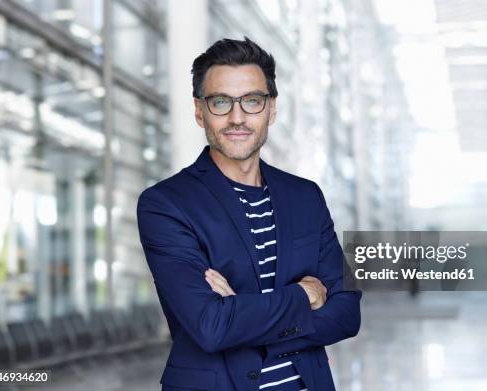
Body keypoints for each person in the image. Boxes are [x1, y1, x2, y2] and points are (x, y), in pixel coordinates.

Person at [137, 37, 361, 391]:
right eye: (221, 102)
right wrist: (304, 298)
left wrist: (242, 312)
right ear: (199, 111)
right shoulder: (166, 204)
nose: (237, 118)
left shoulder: (306, 197)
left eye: (253, 101)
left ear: (271, 109)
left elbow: (347, 313)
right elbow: (211, 327)